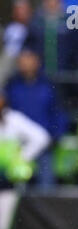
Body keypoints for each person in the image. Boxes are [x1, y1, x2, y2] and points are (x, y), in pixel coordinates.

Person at [0, 89, 50, 229]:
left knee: (2, 228)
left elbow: (41, 137)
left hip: (6, 184)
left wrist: (20, 158)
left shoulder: (13, 120)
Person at [5, 49, 68, 186]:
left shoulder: (47, 85)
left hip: (44, 146)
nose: (25, 63)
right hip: (18, 148)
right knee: (18, 191)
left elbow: (58, 112)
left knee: (46, 189)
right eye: (22, 59)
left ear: (37, 61)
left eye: (28, 58)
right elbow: (7, 114)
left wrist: (54, 136)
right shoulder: (12, 85)